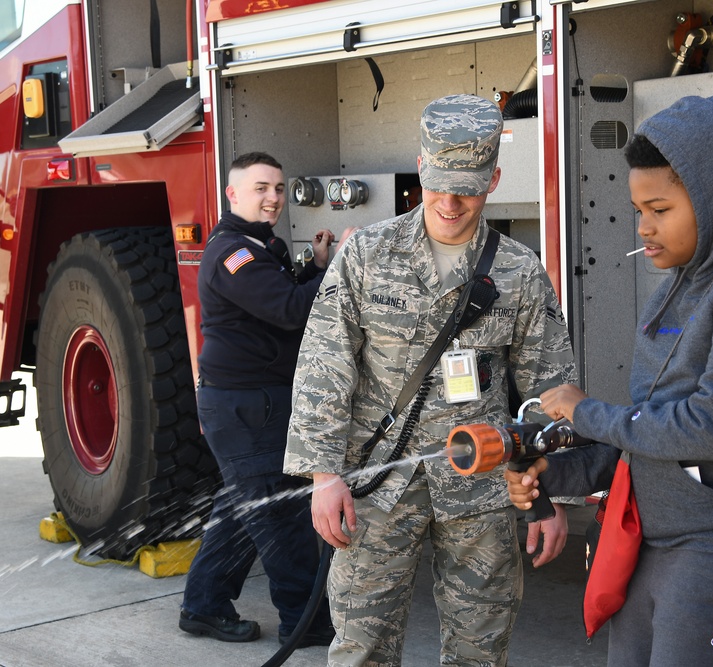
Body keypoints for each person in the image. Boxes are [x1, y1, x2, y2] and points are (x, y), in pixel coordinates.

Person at [506, 95, 713, 666]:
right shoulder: (676, 287)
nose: (644, 227)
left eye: (659, 208)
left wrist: (586, 413)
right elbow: (649, 438)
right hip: (659, 542)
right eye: (638, 209)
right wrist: (552, 473)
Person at [283, 93, 577, 667]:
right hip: (376, 489)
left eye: (467, 187)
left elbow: (551, 387)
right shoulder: (367, 254)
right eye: (439, 183)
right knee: (361, 649)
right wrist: (323, 476)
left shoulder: (518, 271)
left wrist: (549, 494)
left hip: (481, 492)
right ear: (421, 164)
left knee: (481, 652)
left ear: (494, 177)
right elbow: (324, 365)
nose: (449, 201)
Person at [180, 151, 339, 647]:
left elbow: (283, 293)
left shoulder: (257, 245)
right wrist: (343, 270)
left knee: (244, 509)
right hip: (247, 409)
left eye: (278, 188)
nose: (273, 198)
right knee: (282, 515)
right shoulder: (234, 253)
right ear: (232, 194)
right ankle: (305, 624)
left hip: (250, 404)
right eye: (260, 188)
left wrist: (316, 265)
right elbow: (291, 310)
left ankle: (203, 606)